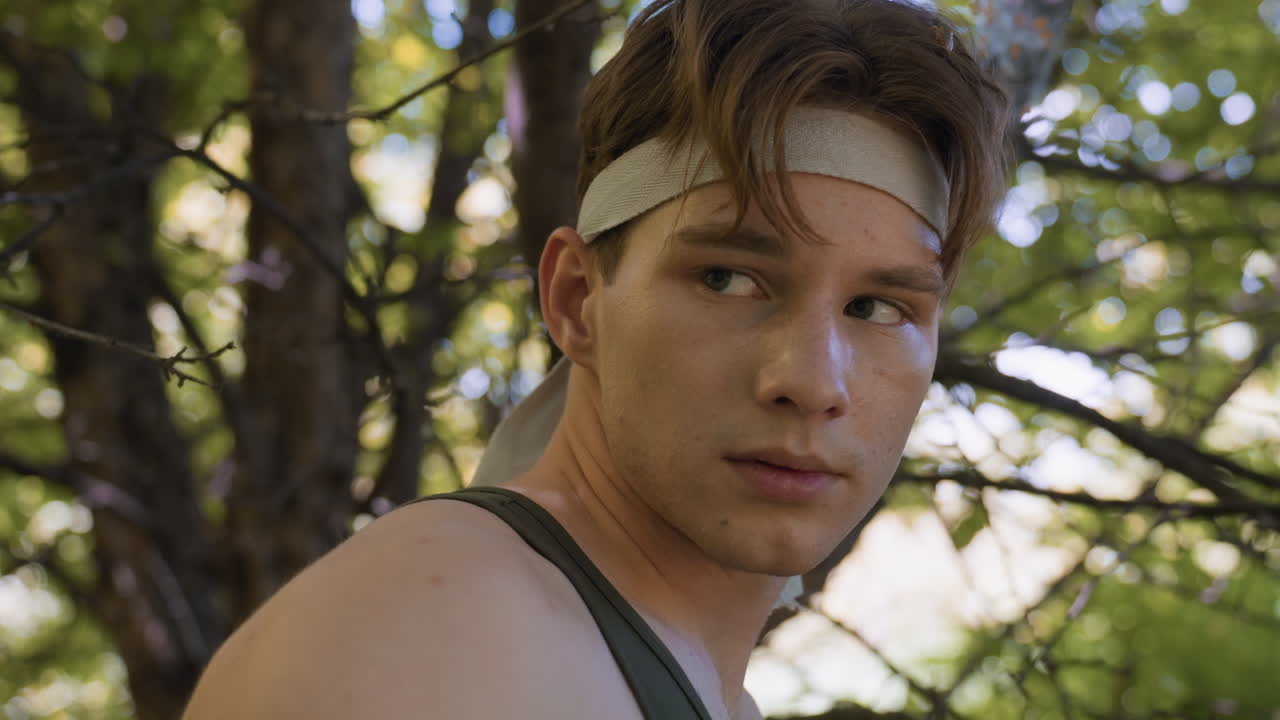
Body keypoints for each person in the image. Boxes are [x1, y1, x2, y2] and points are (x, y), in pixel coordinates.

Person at [183, 0, 1010, 717]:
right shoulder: (441, 638)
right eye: (728, 278)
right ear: (578, 299)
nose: (812, 381)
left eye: (877, 307)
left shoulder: (626, 663)